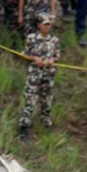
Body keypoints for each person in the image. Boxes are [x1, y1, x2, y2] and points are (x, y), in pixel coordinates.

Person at [20, 12, 60, 140]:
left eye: (49, 24)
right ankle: (24, 126)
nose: (47, 27)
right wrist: (34, 58)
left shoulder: (54, 40)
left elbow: (57, 55)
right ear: (39, 25)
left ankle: (45, 123)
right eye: (45, 24)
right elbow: (24, 54)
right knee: (30, 99)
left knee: (47, 99)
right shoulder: (31, 38)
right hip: (34, 74)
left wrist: (52, 60)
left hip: (48, 74)